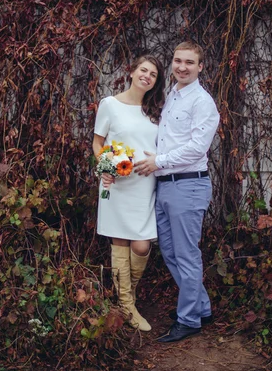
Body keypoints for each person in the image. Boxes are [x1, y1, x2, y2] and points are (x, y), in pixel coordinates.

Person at [134, 41, 220, 342]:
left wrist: (157, 161)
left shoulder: (203, 103)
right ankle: (201, 307)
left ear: (200, 67)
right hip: (166, 185)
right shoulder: (173, 95)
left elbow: (196, 148)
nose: (182, 67)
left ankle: (189, 320)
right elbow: (167, 140)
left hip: (189, 184)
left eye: (189, 62)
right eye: (178, 60)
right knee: (170, 252)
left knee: (186, 255)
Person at [92, 55, 166, 332]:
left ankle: (125, 297)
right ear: (132, 71)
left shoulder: (156, 110)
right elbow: (98, 143)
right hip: (117, 185)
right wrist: (105, 167)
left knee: (142, 245)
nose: (147, 76)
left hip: (144, 185)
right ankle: (127, 304)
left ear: (156, 82)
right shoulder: (109, 105)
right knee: (120, 244)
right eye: (143, 70)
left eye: (154, 74)